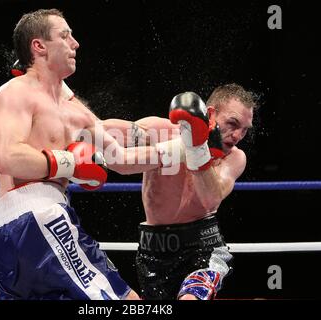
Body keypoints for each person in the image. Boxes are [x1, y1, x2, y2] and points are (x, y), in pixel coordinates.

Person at [0, 8, 173, 300]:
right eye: (65, 36)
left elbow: (121, 160)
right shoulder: (15, 93)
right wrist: (71, 162)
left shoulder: (78, 113)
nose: (75, 43)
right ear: (39, 46)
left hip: (19, 236)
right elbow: (8, 157)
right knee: (126, 301)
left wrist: (178, 151)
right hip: (36, 218)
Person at [103, 83, 257, 300]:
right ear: (210, 114)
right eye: (233, 123)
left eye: (245, 129)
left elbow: (211, 199)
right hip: (153, 250)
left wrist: (197, 150)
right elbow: (98, 132)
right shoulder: (162, 131)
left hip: (204, 248)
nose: (238, 135)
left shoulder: (234, 158)